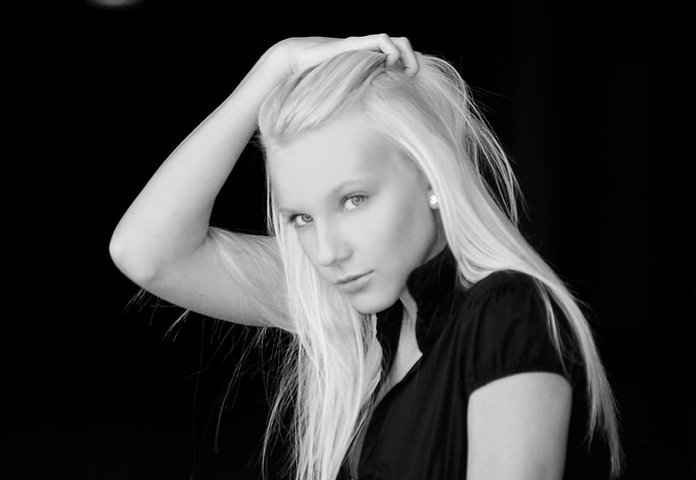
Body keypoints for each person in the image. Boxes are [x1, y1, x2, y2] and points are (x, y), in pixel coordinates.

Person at [109, 35, 626, 480]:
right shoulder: (357, 309)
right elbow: (146, 251)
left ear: (431, 175)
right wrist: (275, 65)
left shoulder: (506, 312)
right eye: (301, 218)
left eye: (354, 200)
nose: (328, 252)